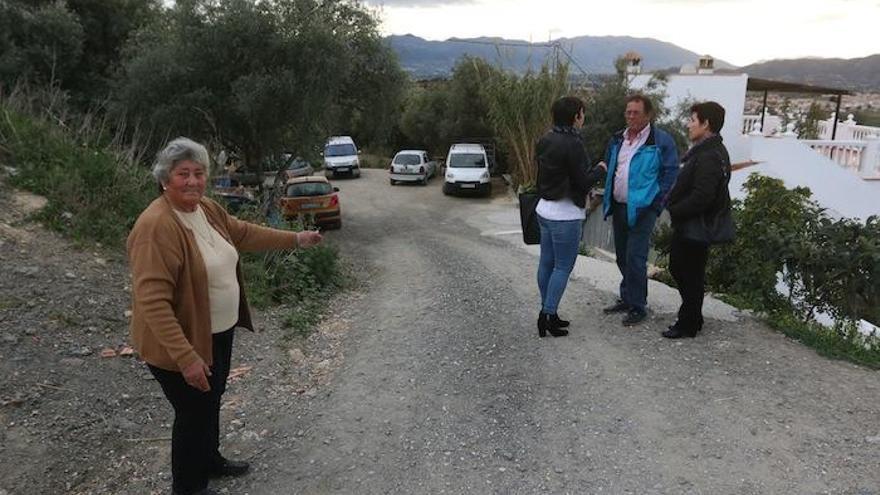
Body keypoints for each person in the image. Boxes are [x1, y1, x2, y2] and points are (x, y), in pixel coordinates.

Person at [127, 137, 323, 495]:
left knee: (211, 400)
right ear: (164, 179)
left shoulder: (207, 210)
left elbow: (244, 233)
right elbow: (152, 301)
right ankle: (189, 487)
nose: (192, 181)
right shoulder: (156, 226)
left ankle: (210, 460)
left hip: (217, 331)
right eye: (182, 174)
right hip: (181, 343)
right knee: (192, 415)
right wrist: (186, 357)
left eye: (198, 173)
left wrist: (295, 239)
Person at [600, 94, 679, 326]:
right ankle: (627, 297)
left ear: (648, 115)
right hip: (620, 206)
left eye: (635, 112)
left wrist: (656, 205)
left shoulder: (661, 141)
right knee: (623, 256)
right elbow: (610, 167)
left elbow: (671, 174)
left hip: (643, 209)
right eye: (628, 112)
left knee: (636, 257)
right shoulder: (617, 139)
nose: (630, 116)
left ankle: (638, 306)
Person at [535, 96, 607, 337]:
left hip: (544, 209)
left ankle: (548, 312)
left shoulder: (546, 138)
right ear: (577, 116)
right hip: (565, 215)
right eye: (582, 113)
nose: (583, 118)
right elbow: (583, 180)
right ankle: (547, 315)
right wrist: (600, 169)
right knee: (563, 266)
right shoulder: (573, 143)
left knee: (546, 263)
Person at [664, 101, 731, 339]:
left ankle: (688, 323)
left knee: (687, 272)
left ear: (707, 124)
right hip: (692, 224)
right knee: (685, 270)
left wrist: (675, 209)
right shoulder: (707, 151)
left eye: (693, 120)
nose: (689, 125)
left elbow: (703, 196)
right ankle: (693, 316)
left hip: (696, 226)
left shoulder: (710, 155)